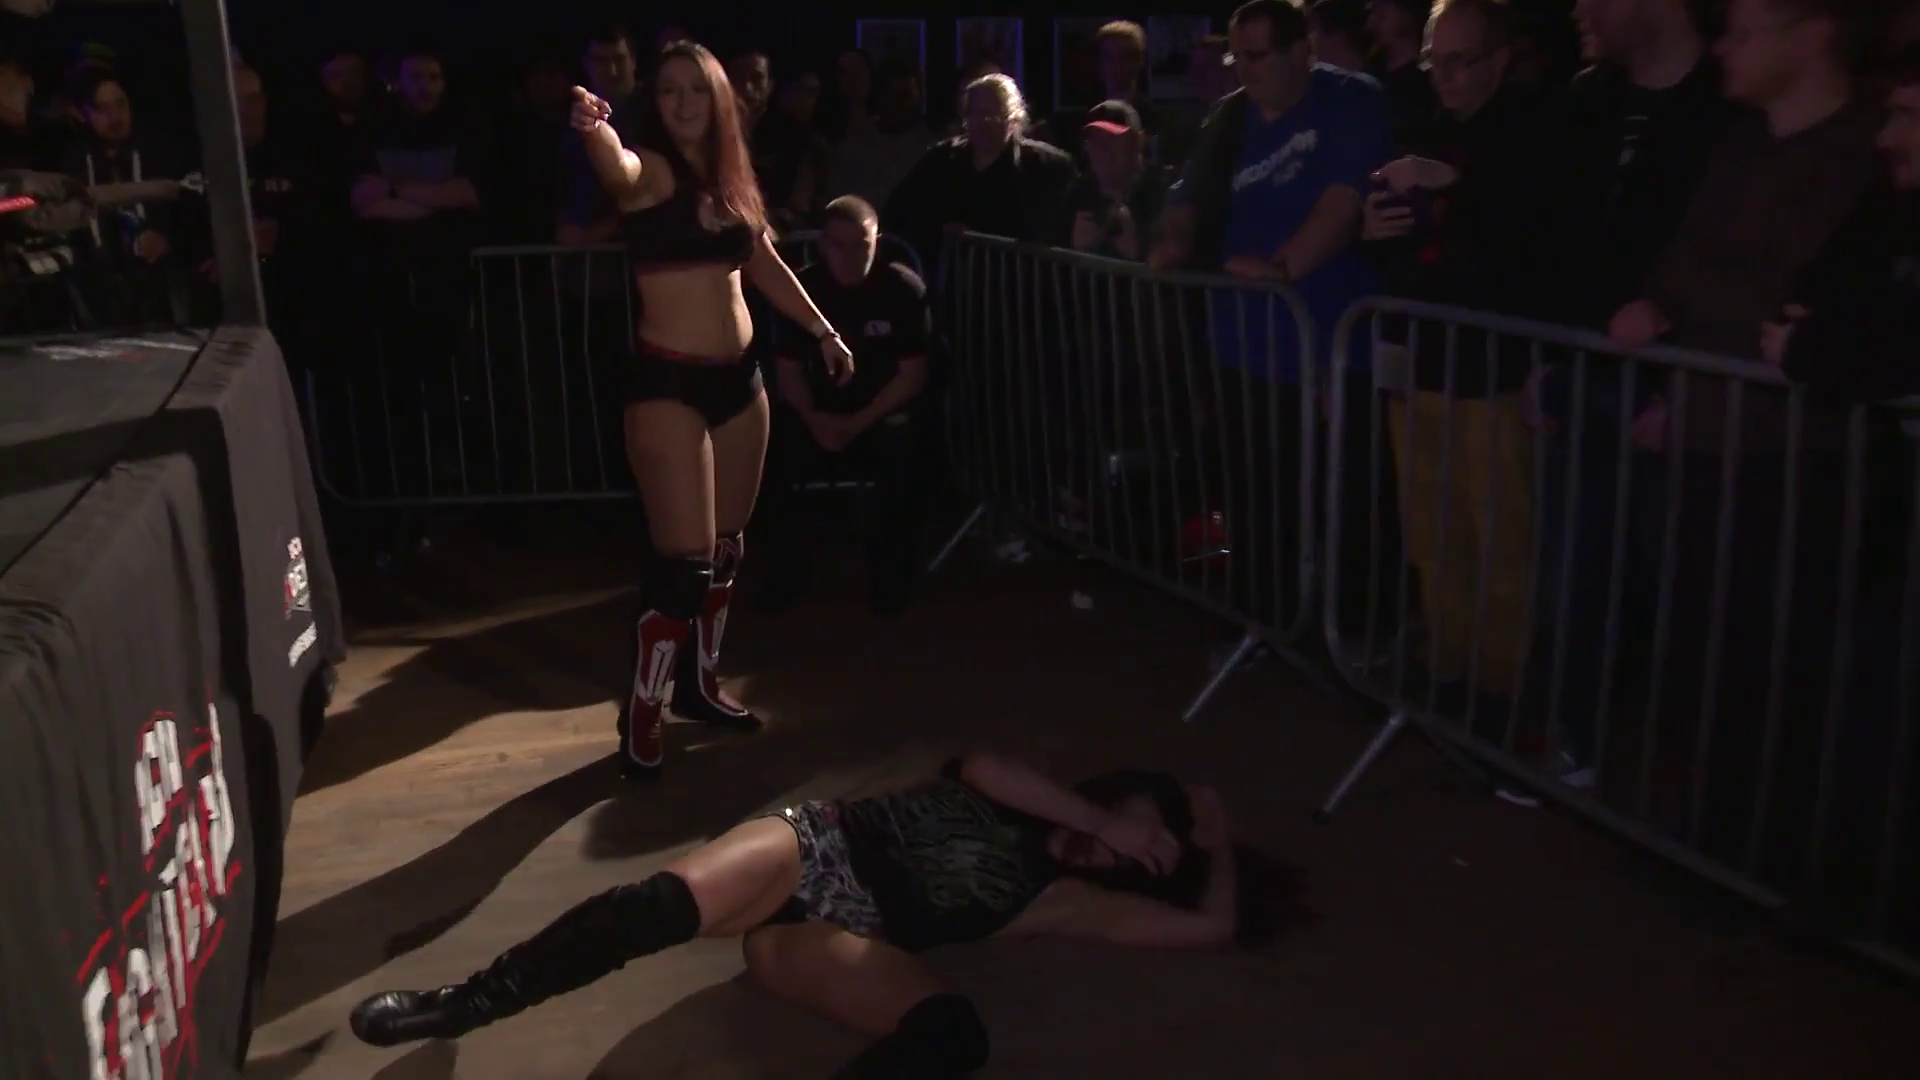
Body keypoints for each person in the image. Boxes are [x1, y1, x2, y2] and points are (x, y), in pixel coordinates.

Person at [349, 753, 1255, 1077]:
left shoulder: (1068, 902)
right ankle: (464, 1003)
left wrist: (1213, 844)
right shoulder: (1024, 791)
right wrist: (1108, 819)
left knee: (952, 1035)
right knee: (657, 905)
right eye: (1130, 828)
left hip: (842, 934)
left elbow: (1212, 928)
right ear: (1114, 799)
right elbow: (981, 765)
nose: (1113, 851)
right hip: (816, 846)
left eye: (1138, 860)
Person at [569, 41, 855, 780]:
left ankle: (699, 685)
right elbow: (620, 170)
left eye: (696, 89)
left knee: (727, 549)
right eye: (669, 90)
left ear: (720, 98)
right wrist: (595, 131)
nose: (683, 102)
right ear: (654, 100)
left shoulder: (731, 177)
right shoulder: (653, 169)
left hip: (740, 382)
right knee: (683, 566)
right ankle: (644, 709)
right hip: (668, 383)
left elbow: (762, 261)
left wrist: (823, 330)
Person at [757, 196, 932, 616]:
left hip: (880, 413)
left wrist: (857, 423)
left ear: (877, 242)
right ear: (823, 244)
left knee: (907, 457)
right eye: (839, 245)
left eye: (861, 246)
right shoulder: (803, 292)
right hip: (816, 413)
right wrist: (815, 419)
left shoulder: (903, 289)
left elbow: (912, 376)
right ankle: (785, 575)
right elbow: (788, 372)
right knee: (765, 458)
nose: (850, 257)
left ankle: (892, 580)